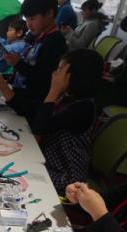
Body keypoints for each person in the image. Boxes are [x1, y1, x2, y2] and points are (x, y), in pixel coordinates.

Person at [30, 49, 103, 195]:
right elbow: (37, 114)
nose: (54, 74)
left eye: (60, 70)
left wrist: (54, 90)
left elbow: (40, 127)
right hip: (49, 161)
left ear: (75, 76)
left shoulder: (83, 108)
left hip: (67, 177)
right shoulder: (69, 97)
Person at [0, 0, 67, 121]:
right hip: (18, 95)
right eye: (26, 19)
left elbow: (43, 80)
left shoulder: (55, 42)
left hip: (31, 107)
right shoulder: (35, 35)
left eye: (32, 19)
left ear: (49, 13)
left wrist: (18, 64)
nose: (28, 24)